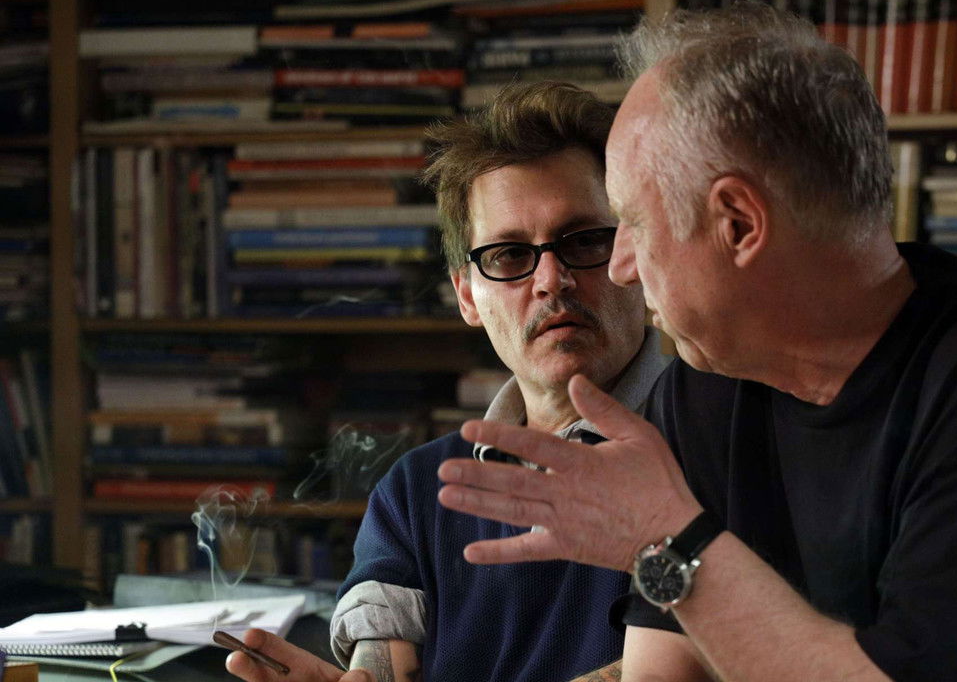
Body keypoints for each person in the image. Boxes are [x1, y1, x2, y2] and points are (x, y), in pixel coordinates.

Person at [434, 5, 957, 681]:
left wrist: (665, 540)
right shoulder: (707, 381)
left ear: (738, 224)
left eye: (633, 223)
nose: (621, 267)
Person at [225, 81, 665, 682]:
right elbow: (384, 668)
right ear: (467, 296)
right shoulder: (419, 491)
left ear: (634, 252)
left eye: (585, 240)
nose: (551, 280)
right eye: (509, 255)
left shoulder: (726, 441)